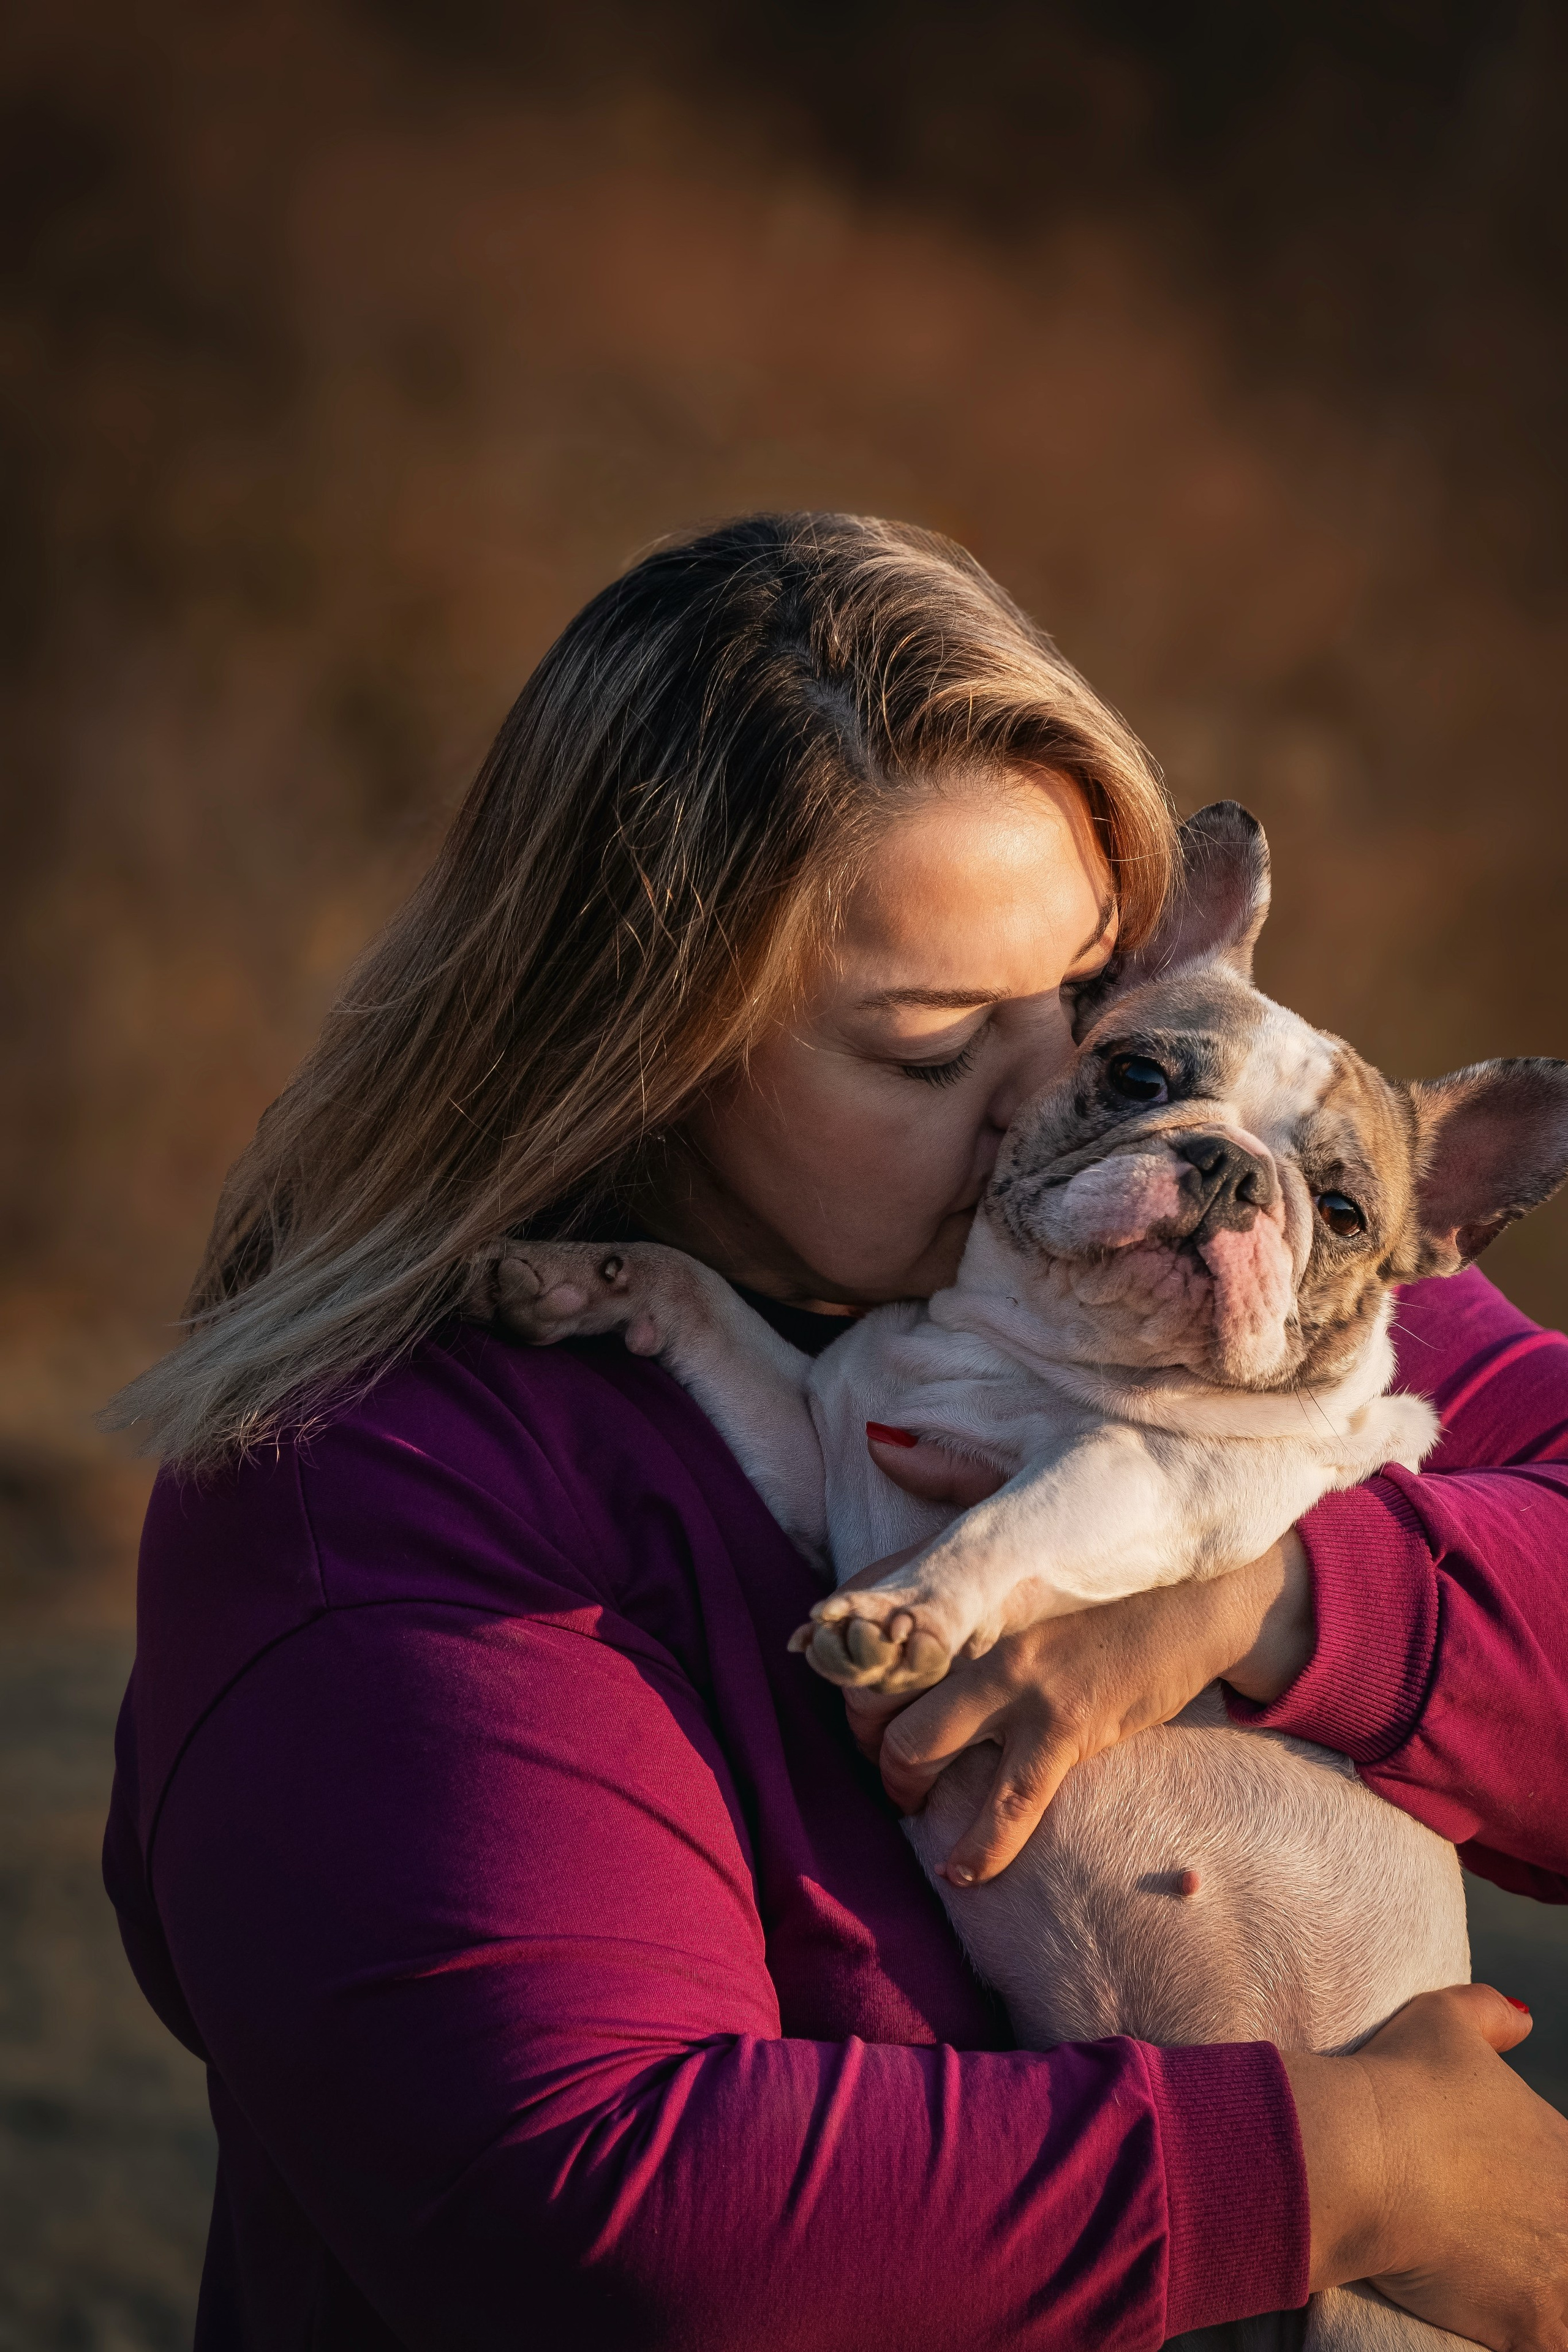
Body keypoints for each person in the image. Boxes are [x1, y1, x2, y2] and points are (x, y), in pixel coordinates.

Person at [104, 514, 1568, 2351]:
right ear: (647, 1042)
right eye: (932, 1051)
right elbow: (612, 2205)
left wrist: (1269, 1596)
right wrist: (1354, 2169)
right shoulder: (380, 1488)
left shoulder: (1271, 1306)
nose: (1054, 1107)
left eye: (1090, 1008)